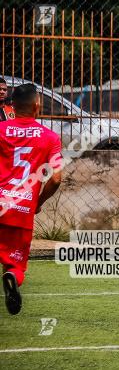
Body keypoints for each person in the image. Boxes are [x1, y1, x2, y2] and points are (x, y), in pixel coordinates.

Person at [0, 84, 64, 315]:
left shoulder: (1, 129)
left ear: (11, 106)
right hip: (21, 209)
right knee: (15, 266)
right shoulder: (50, 137)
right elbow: (56, 179)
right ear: (37, 105)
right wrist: (39, 202)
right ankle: (11, 277)